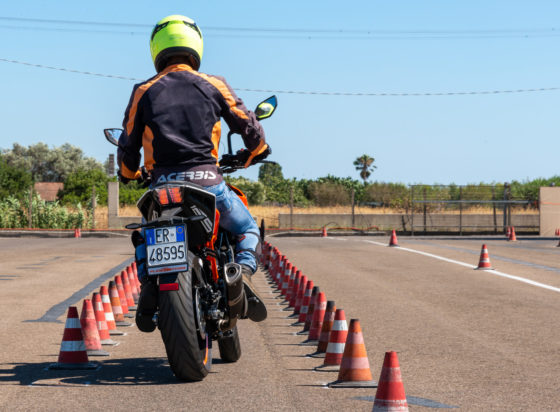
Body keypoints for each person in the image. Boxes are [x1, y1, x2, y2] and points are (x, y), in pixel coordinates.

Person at [117, 14, 270, 330]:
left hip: (161, 189)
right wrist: (256, 151)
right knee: (247, 229)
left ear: (156, 48)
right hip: (208, 184)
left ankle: (149, 282)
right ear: (195, 45)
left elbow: (128, 144)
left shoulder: (143, 90)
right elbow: (248, 125)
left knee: (146, 236)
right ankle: (238, 272)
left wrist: (128, 173)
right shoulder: (214, 84)